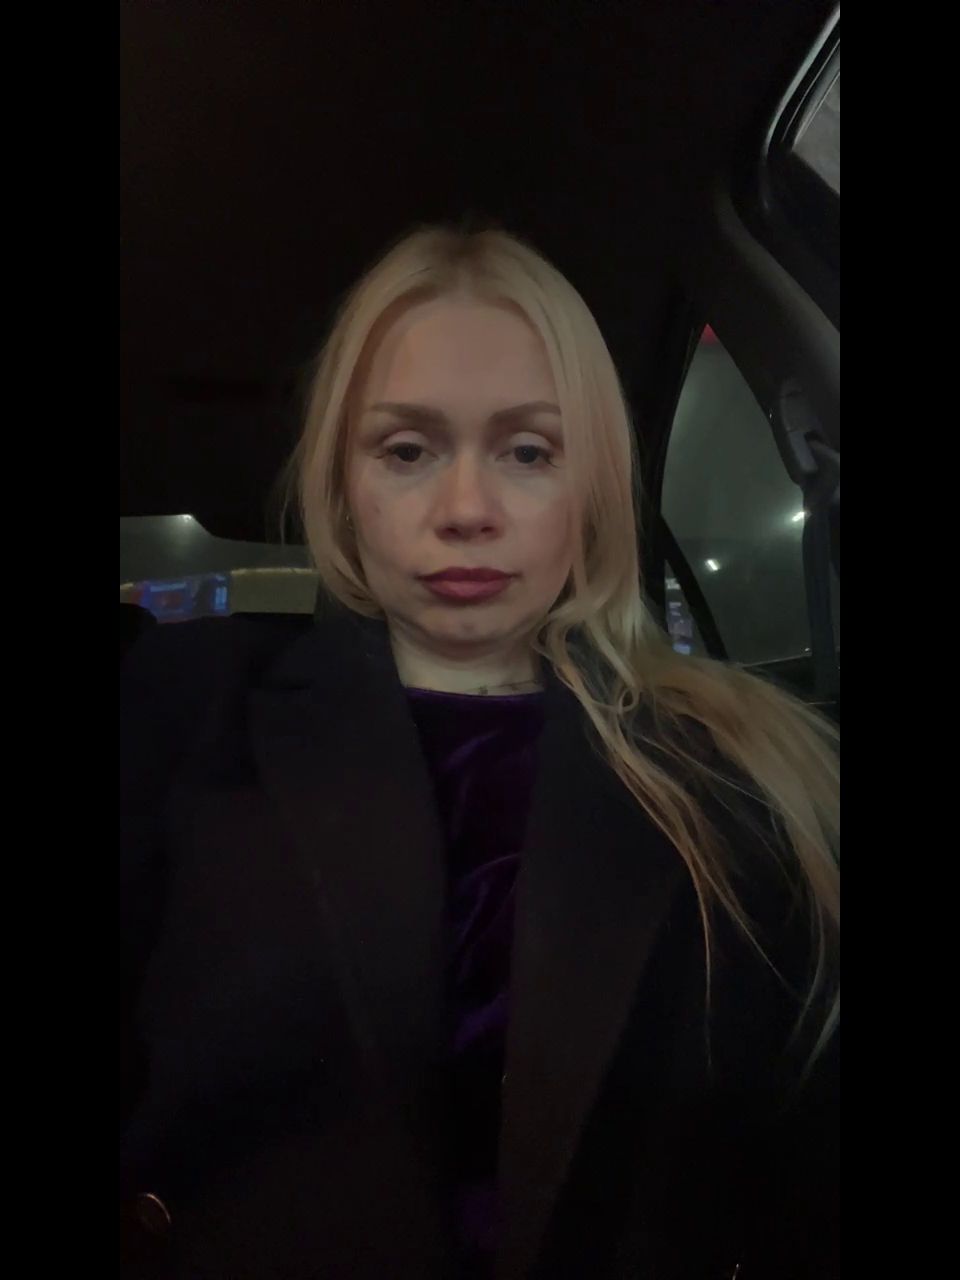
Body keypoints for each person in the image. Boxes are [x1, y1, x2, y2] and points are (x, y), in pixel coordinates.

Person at [120, 224, 840, 1280]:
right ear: (342, 479)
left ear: (593, 485)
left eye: (529, 451)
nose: (466, 511)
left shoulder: (748, 765)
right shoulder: (182, 705)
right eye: (407, 451)